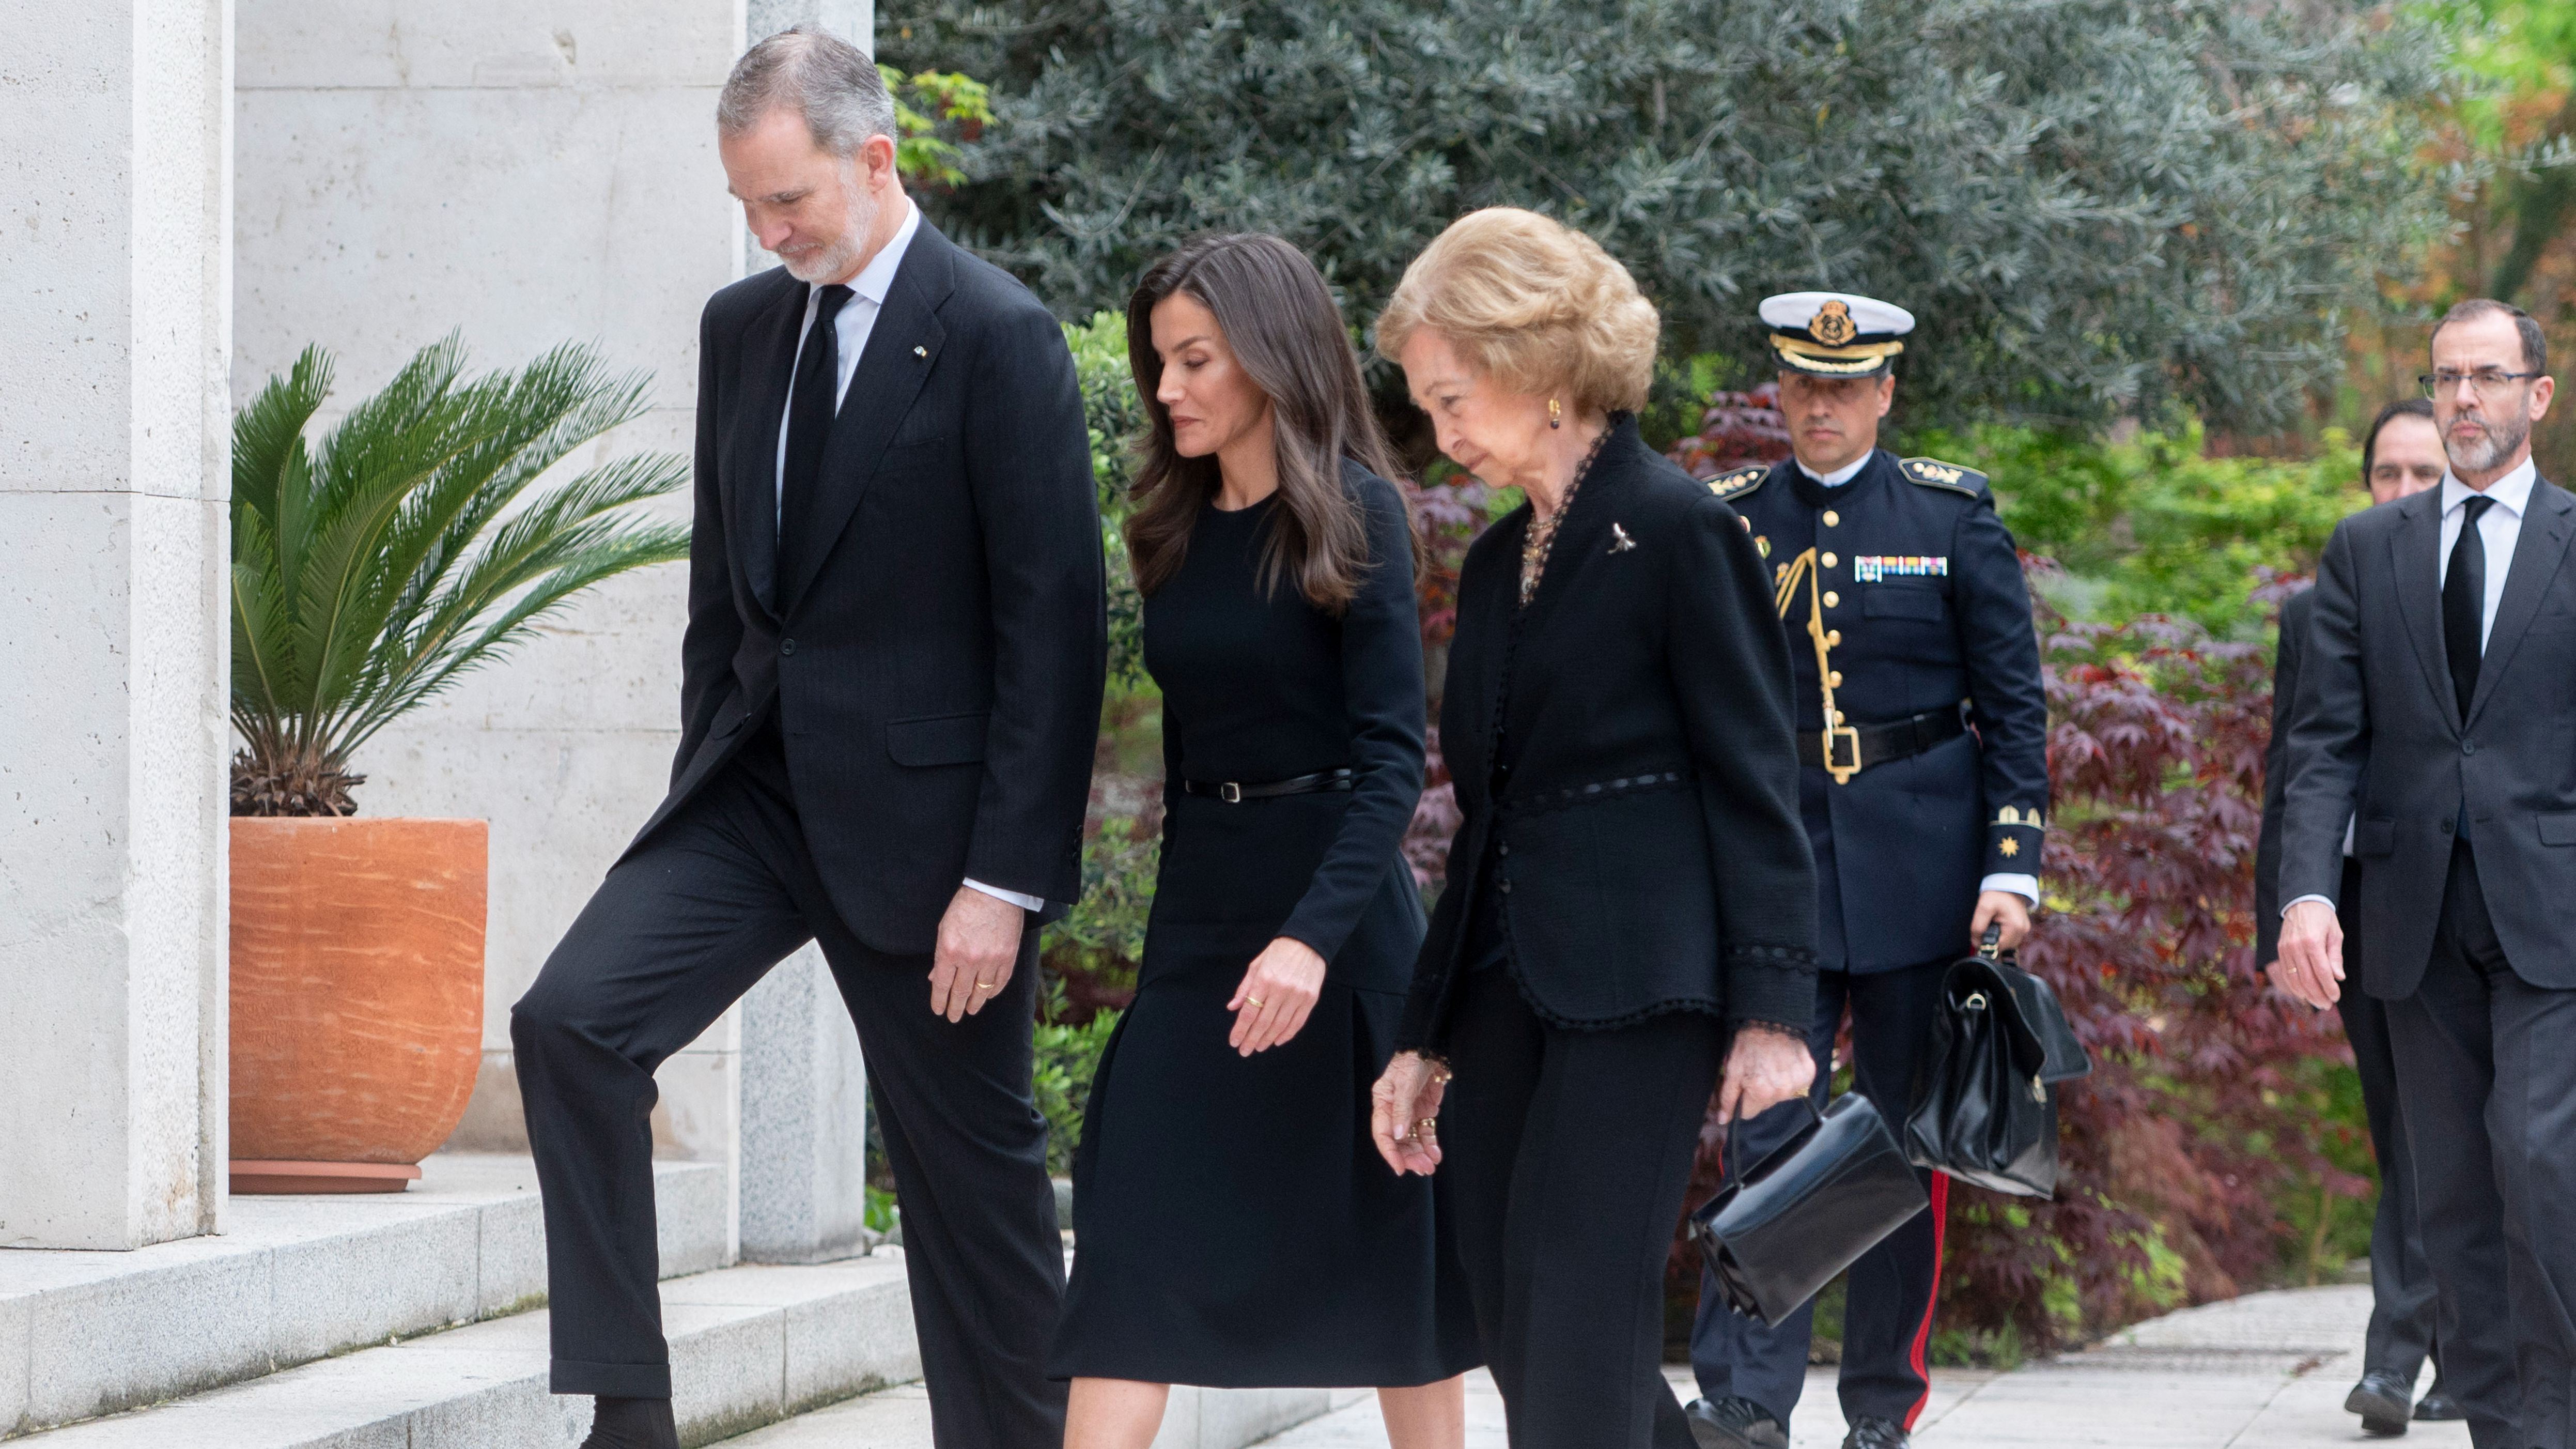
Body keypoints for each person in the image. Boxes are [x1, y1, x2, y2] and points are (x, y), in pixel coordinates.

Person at [506, 30, 1105, 1449]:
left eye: (790, 202)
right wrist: (699, 772)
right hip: (757, 796)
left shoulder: (998, 335)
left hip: (933, 844)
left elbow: (1053, 635)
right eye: (750, 208)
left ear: (874, 158)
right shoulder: (742, 327)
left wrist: (1003, 883)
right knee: (570, 1023)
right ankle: (628, 1414)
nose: (771, 235)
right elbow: (726, 593)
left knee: (975, 1193)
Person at [1366, 207, 1821, 1449]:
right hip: (1511, 987)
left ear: (1542, 369)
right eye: (1426, 401)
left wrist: (1776, 1008)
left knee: (1578, 1325)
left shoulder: (1678, 529)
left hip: (1644, 984)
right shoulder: (1501, 559)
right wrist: (1424, 1038)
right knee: (1518, 1321)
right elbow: (1484, 820)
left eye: (1454, 396)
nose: (1441, 430)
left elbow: (1758, 777)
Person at [1049, 233, 1478, 1448]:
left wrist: (1309, 940)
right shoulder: (1171, 528)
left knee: (1393, 1252)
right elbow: (1186, 760)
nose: (1169, 388)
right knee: (1131, 1239)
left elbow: (1395, 758)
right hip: (1203, 926)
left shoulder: (1359, 515)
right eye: (1159, 365)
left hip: (1337, 927)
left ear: (1272, 359)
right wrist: (1175, 947)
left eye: (1195, 360)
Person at [1683, 294, 2049, 1449]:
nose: (1822, 403)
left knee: (1903, 1147)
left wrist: (2014, 867)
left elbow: (2016, 709)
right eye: (1802, 383)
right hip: (1776, 867)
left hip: (1919, 874)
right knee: (1767, 1128)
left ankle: (1882, 1405)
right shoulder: (1728, 522)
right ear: (1779, 390)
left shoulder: (1951, 517)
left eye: (1846, 385)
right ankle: (1746, 1397)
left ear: (1886, 392)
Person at [2278, 298, 2574, 1449]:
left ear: (2536, 396)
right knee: (2449, 1199)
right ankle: (2502, 1430)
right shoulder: (2367, 551)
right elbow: (2322, 743)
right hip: (2410, 921)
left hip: (2552, 918)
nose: (2463, 399)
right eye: (2448, 377)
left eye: (2489, 378)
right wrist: (2307, 896)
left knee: (2541, 1159)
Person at [2253, 397, 2460, 1436]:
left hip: (2487, 910)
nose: (2406, 491)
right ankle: (2444, 1353)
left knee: (2478, 1135)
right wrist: (2280, 925)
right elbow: (2296, 768)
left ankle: (2405, 1354)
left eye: (2426, 473)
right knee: (2409, 1131)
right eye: (2390, 473)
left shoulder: (2502, 591)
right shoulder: (2319, 607)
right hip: (2370, 914)